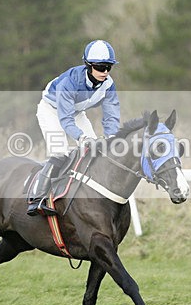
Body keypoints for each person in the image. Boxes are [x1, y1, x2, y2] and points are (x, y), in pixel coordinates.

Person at [27, 40, 121, 216]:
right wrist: (80, 137)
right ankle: (36, 198)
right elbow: (65, 118)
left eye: (109, 67)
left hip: (77, 112)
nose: (106, 72)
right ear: (89, 65)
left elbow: (111, 115)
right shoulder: (70, 82)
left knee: (95, 151)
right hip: (52, 111)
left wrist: (112, 137)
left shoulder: (108, 84)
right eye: (101, 67)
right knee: (60, 152)